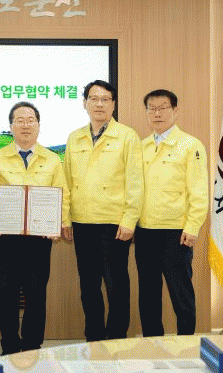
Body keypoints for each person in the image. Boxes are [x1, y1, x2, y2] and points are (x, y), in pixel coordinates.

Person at [0, 101, 70, 355]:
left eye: (31, 120)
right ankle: (9, 346)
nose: (25, 125)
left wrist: (60, 222)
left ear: (39, 126)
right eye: (19, 120)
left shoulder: (52, 160)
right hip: (6, 237)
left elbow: (63, 194)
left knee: (35, 293)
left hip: (38, 238)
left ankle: (32, 346)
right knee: (6, 293)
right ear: (11, 126)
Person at [63, 80, 143, 342]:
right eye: (94, 98)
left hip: (114, 223)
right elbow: (66, 181)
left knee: (115, 284)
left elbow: (135, 182)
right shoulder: (74, 137)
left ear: (113, 104)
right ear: (84, 103)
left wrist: (130, 220)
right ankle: (94, 338)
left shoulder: (127, 136)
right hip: (82, 222)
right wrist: (66, 219)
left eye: (105, 99)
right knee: (88, 286)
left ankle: (117, 338)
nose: (99, 104)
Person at [135, 89, 208, 336]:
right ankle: (152, 343)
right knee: (148, 294)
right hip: (145, 231)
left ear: (175, 111)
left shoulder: (190, 145)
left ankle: (186, 344)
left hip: (176, 232)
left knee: (180, 292)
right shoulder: (141, 146)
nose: (157, 113)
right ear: (146, 113)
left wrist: (193, 226)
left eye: (163, 107)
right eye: (151, 108)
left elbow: (199, 191)